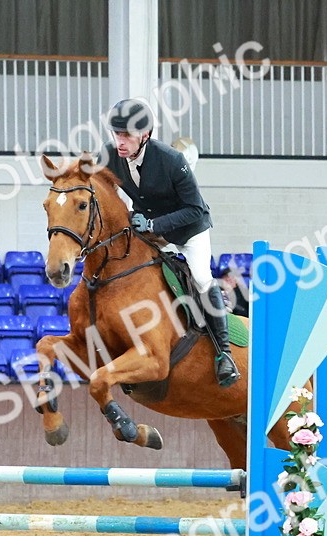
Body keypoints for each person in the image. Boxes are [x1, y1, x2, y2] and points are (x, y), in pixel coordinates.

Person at [100, 98, 240, 388]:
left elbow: (195, 209)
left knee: (201, 278)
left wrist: (153, 225)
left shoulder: (172, 160)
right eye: (117, 134)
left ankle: (224, 355)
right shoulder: (110, 155)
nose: (120, 142)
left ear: (145, 136)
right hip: (149, 228)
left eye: (127, 136)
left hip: (189, 230)